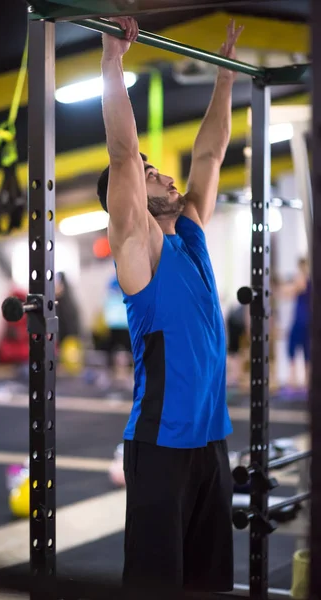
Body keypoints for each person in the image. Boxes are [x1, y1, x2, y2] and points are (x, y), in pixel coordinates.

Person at [97, 16, 243, 595]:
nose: (161, 172)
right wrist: (113, 66)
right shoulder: (139, 248)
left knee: (210, 584)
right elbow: (124, 155)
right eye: (150, 175)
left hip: (210, 440)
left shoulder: (191, 231)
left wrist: (226, 76)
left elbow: (208, 155)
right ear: (131, 200)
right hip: (160, 446)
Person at [280, 258, 311, 390]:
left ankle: (300, 380)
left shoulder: (304, 279)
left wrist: (287, 285)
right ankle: (298, 379)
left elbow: (288, 291)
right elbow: (286, 293)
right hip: (304, 319)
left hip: (303, 320)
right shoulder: (306, 279)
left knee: (302, 350)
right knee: (299, 350)